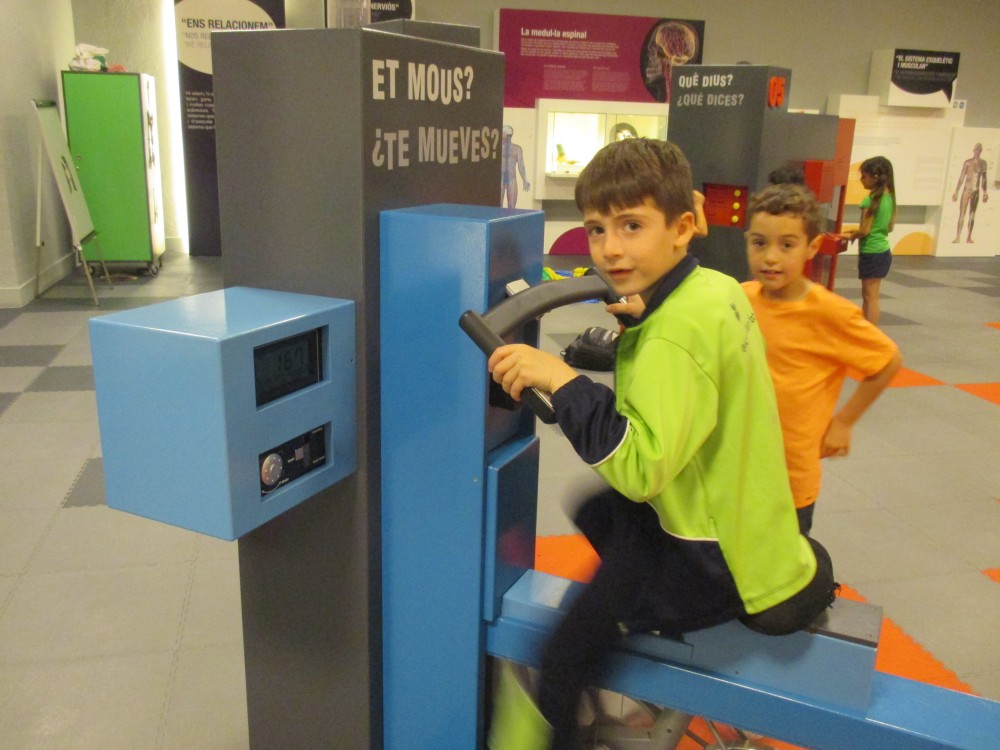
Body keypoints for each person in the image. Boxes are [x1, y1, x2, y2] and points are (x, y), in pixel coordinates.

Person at [485, 138, 836, 750]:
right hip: (756, 528)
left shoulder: (674, 335)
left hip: (719, 566)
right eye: (597, 230)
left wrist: (563, 381)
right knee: (597, 510)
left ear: (682, 227)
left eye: (632, 226)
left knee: (564, 654)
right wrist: (637, 326)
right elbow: (692, 369)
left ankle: (543, 731)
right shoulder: (715, 288)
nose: (610, 248)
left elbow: (640, 468)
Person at [742, 183, 902, 535]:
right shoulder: (740, 298)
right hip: (736, 469)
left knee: (781, 564)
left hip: (791, 478)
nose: (770, 257)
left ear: (812, 247)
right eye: (759, 243)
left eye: (787, 245)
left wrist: (844, 421)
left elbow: (887, 360)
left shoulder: (830, 313)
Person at [848, 156, 896, 325]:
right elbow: (890, 227)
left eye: (864, 176)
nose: (861, 180)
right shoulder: (890, 198)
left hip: (871, 252)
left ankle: (870, 331)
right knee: (870, 296)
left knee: (870, 297)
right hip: (883, 251)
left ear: (875, 177)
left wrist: (850, 235)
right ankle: (867, 328)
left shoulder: (870, 200)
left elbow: (864, 230)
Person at [952, 142, 989, 243]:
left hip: (976, 191)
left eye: (979, 150)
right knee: (962, 214)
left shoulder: (983, 163)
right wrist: (956, 191)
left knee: (972, 214)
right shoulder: (967, 162)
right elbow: (962, 177)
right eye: (976, 150)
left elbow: (984, 179)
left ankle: (968, 237)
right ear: (974, 150)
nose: (977, 151)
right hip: (966, 190)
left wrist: (985, 192)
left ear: (981, 151)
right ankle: (958, 237)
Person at [501, 125, 531, 208]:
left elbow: (521, 165)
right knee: (498, 206)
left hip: (512, 179)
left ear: (505, 134)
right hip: (501, 179)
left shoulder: (517, 149)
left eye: (502, 133)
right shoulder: (498, 148)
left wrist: (524, 180)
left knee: (512, 206)